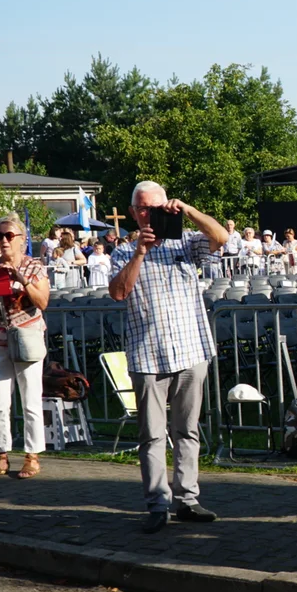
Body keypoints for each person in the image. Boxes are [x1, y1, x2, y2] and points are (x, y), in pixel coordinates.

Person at [109, 180, 228, 534]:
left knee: (188, 430)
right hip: (147, 356)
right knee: (152, 435)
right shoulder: (123, 251)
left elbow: (221, 238)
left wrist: (188, 211)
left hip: (191, 350)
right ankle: (157, 503)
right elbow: (118, 292)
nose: (150, 215)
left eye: (157, 208)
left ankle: (187, 499)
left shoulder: (186, 241)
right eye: (143, 209)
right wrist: (140, 253)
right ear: (133, 212)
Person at [0, 213, 50, 479]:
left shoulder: (34, 267)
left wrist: (22, 280)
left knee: (30, 400)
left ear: (21, 240)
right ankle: (1, 455)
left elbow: (43, 302)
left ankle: (32, 456)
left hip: (26, 336)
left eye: (9, 236)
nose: (3, 241)